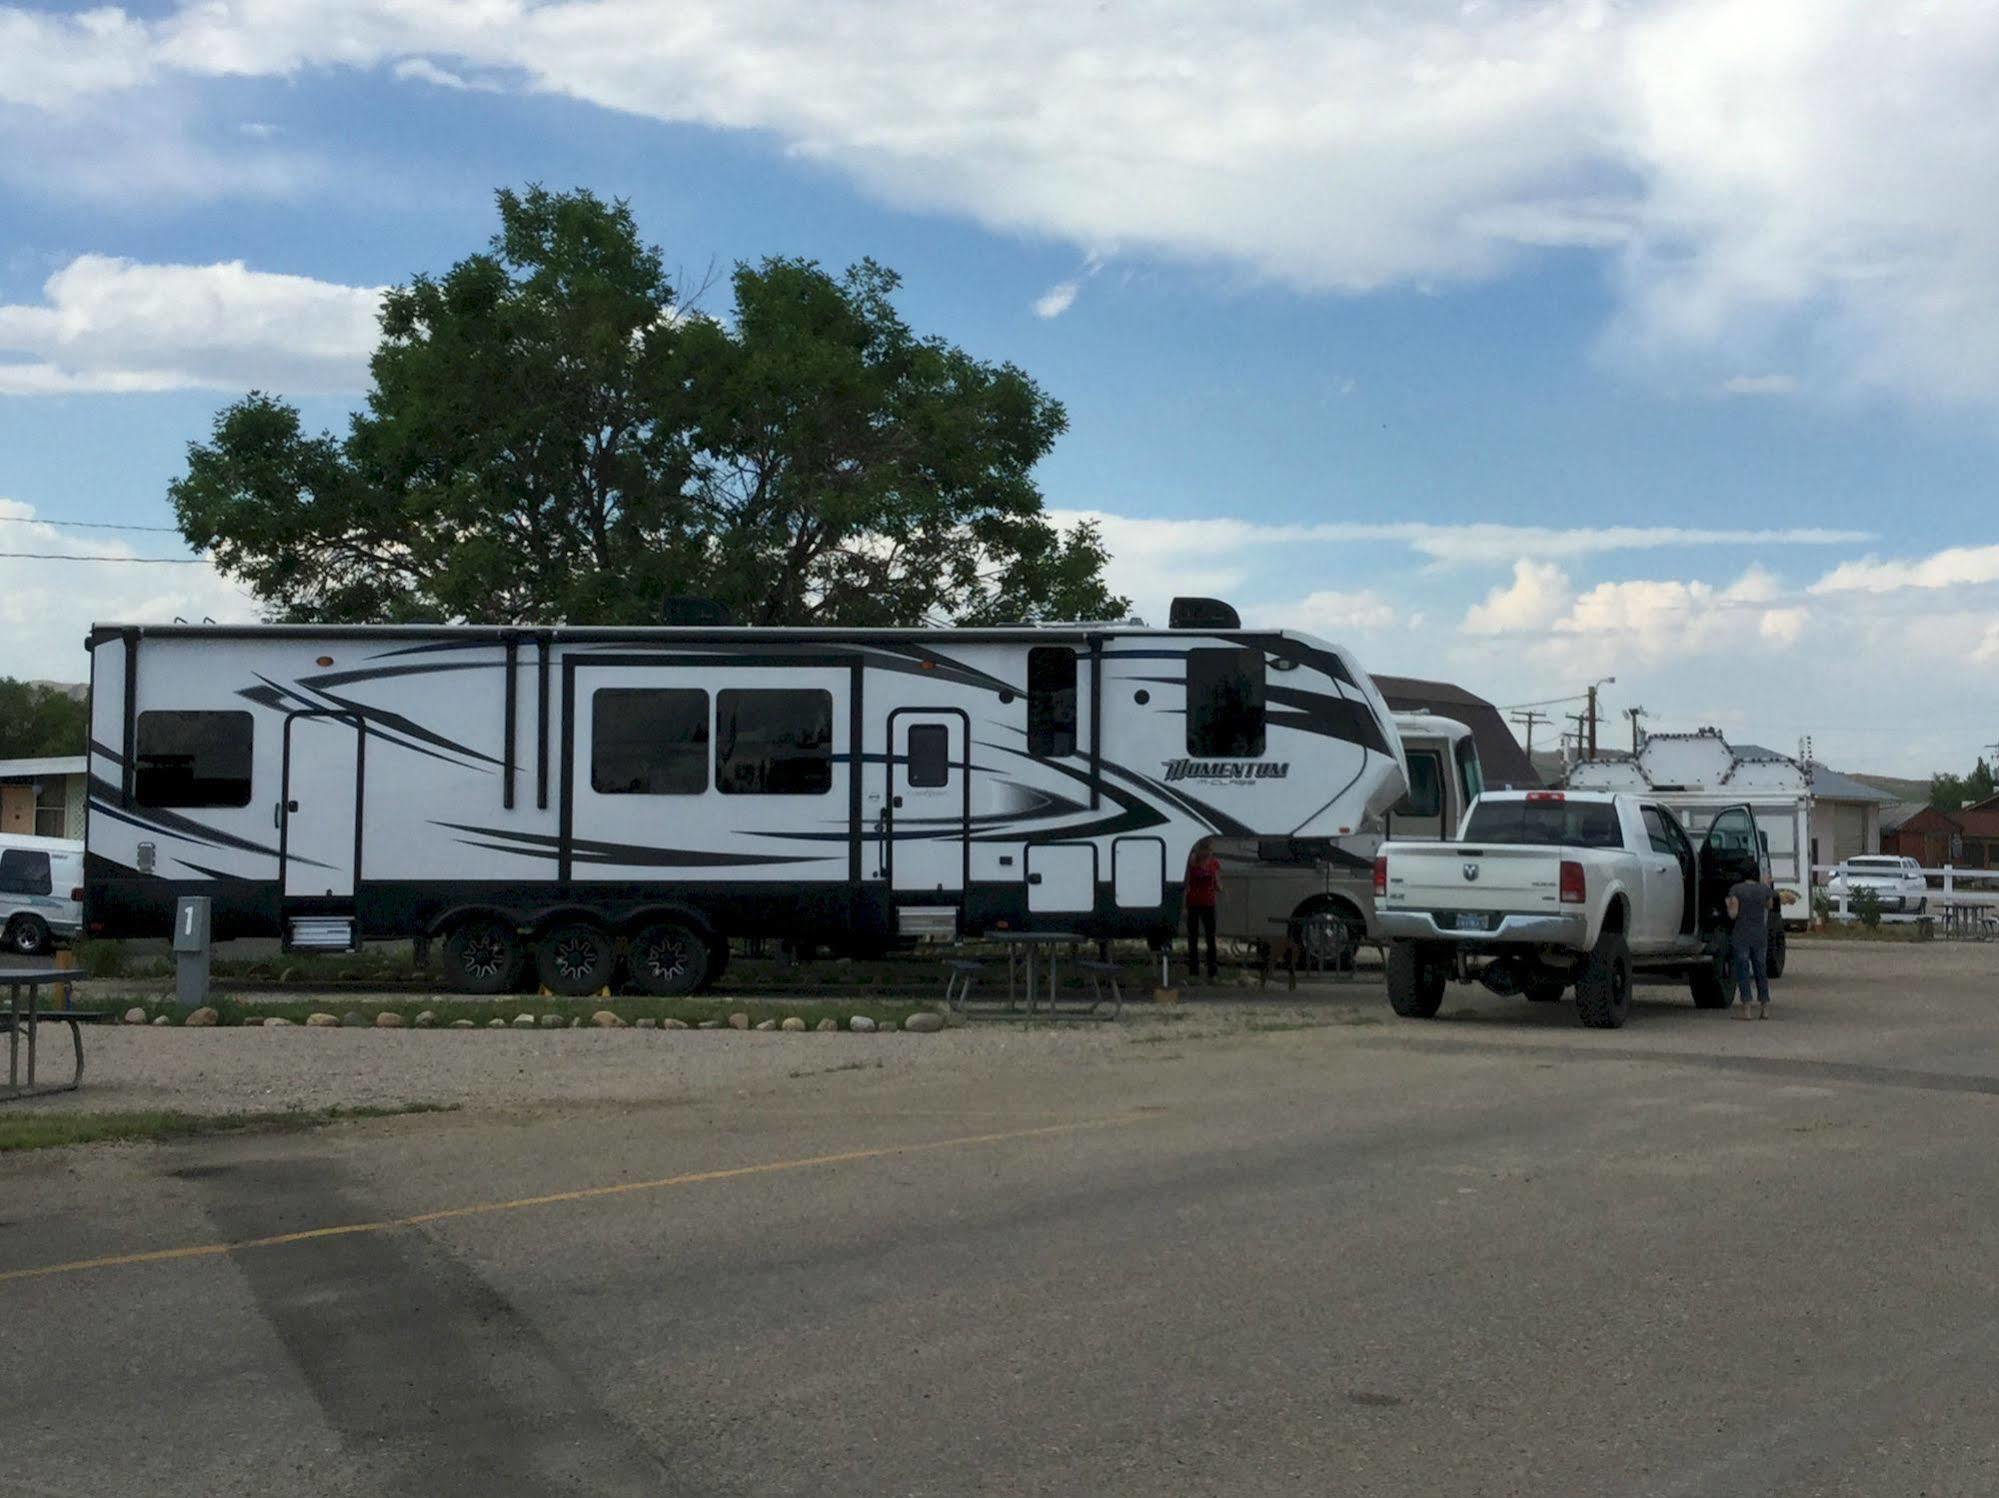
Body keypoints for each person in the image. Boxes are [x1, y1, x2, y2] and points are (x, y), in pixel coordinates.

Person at [1725, 874, 1777, 1019]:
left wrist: (1727, 904)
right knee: (1761, 969)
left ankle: (1747, 1010)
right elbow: (1770, 905)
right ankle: (1765, 1007)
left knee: (1743, 971)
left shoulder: (1736, 890)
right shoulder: (1763, 890)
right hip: (1759, 934)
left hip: (1741, 934)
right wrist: (1766, 886)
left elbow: (1733, 914)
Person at [1184, 842, 1221, 983]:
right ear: (1199, 850)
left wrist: (1221, 888)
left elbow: (1217, 882)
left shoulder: (1214, 863)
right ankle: (1193, 971)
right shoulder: (1192, 863)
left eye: (1210, 850)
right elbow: (1186, 882)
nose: (1208, 853)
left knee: (1210, 938)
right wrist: (1184, 907)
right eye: (1206, 849)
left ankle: (1212, 972)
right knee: (1192, 938)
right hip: (1193, 903)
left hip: (1209, 904)